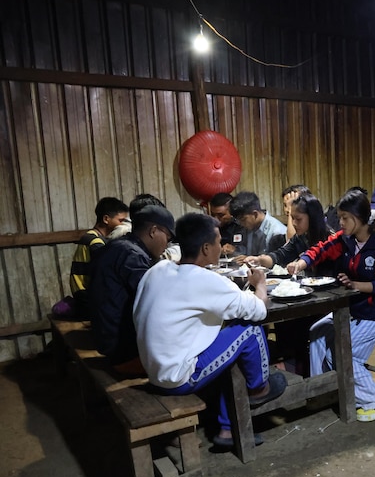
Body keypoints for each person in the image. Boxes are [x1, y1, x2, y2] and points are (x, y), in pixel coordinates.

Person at [133, 213, 286, 448]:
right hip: (178, 377)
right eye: (217, 242)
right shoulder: (205, 280)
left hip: (154, 369)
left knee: (226, 346)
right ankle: (258, 389)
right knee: (249, 330)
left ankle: (227, 430)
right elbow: (259, 310)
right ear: (205, 248)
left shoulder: (158, 269)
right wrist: (260, 285)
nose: (220, 247)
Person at [286, 190, 375, 422]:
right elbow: (321, 249)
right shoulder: (345, 239)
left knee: (342, 353)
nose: (340, 222)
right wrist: (301, 262)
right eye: (339, 217)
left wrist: (357, 285)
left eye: (344, 217)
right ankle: (324, 391)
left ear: (359, 218)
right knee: (318, 331)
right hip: (353, 309)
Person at [88, 205, 175, 375]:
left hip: (107, 343)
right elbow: (157, 300)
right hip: (125, 354)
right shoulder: (131, 255)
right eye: (168, 237)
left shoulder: (118, 246)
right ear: (153, 231)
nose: (167, 244)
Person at [67, 197, 129, 317]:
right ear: (106, 219)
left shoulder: (92, 237)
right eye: (121, 221)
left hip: (84, 298)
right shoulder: (95, 242)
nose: (124, 225)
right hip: (87, 301)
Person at [250, 194, 335, 276]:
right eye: (292, 218)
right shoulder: (300, 237)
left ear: (312, 217)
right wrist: (259, 260)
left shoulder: (330, 238)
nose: (294, 223)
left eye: (298, 219)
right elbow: (281, 255)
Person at [109, 193, 181, 262]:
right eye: (168, 239)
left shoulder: (129, 244)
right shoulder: (132, 252)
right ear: (153, 230)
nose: (166, 245)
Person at [230, 191, 287, 256]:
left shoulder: (277, 232)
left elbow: (279, 262)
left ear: (255, 214)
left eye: (243, 220)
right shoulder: (249, 227)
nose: (241, 223)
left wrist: (252, 260)